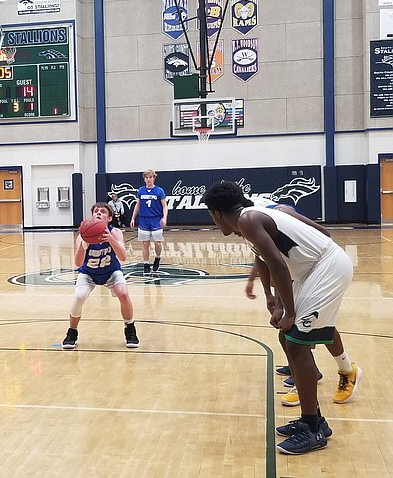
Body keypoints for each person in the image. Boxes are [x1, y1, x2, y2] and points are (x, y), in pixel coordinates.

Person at [202, 182, 362, 455]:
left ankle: (313, 430)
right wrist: (273, 301)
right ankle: (315, 420)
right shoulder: (251, 219)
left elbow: (277, 263)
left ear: (216, 214)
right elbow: (265, 261)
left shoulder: (249, 219)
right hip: (311, 271)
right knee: (286, 336)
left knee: (298, 342)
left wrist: (288, 311)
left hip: (326, 268)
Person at [245, 198, 359, 407]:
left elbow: (324, 234)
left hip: (324, 268)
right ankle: (332, 371)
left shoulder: (279, 214)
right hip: (301, 274)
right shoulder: (251, 225)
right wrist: (271, 297)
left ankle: (316, 377)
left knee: (302, 330)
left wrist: (283, 306)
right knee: (314, 327)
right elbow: (262, 260)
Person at [62, 202, 139, 349]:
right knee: (79, 296)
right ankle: (72, 332)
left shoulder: (115, 232)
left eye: (103, 212)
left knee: (123, 294)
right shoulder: (84, 234)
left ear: (109, 218)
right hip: (88, 273)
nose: (98, 213)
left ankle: (130, 329)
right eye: (96, 211)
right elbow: (78, 263)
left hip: (111, 272)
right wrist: (84, 244)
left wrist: (111, 240)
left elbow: (123, 257)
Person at [129, 169, 168, 274]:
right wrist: (133, 218)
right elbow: (138, 205)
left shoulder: (159, 191)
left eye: (150, 177)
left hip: (156, 219)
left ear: (154, 178)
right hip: (143, 220)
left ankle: (157, 258)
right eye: (146, 178)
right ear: (144, 179)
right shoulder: (141, 191)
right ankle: (146, 264)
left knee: (157, 243)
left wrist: (164, 217)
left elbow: (165, 206)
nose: (148, 179)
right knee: (145, 243)